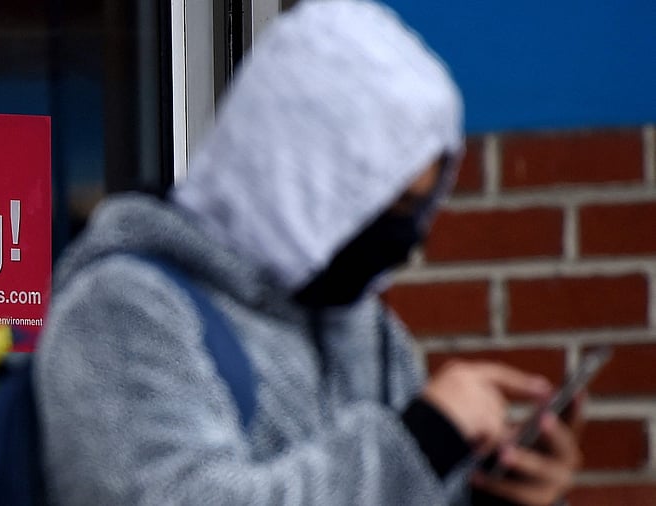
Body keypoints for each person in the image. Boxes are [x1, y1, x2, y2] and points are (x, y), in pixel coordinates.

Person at [32, 1, 582, 505]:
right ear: (298, 179)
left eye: (416, 209)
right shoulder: (122, 311)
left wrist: (487, 494)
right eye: (382, 207)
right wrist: (422, 441)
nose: (407, 238)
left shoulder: (366, 331)